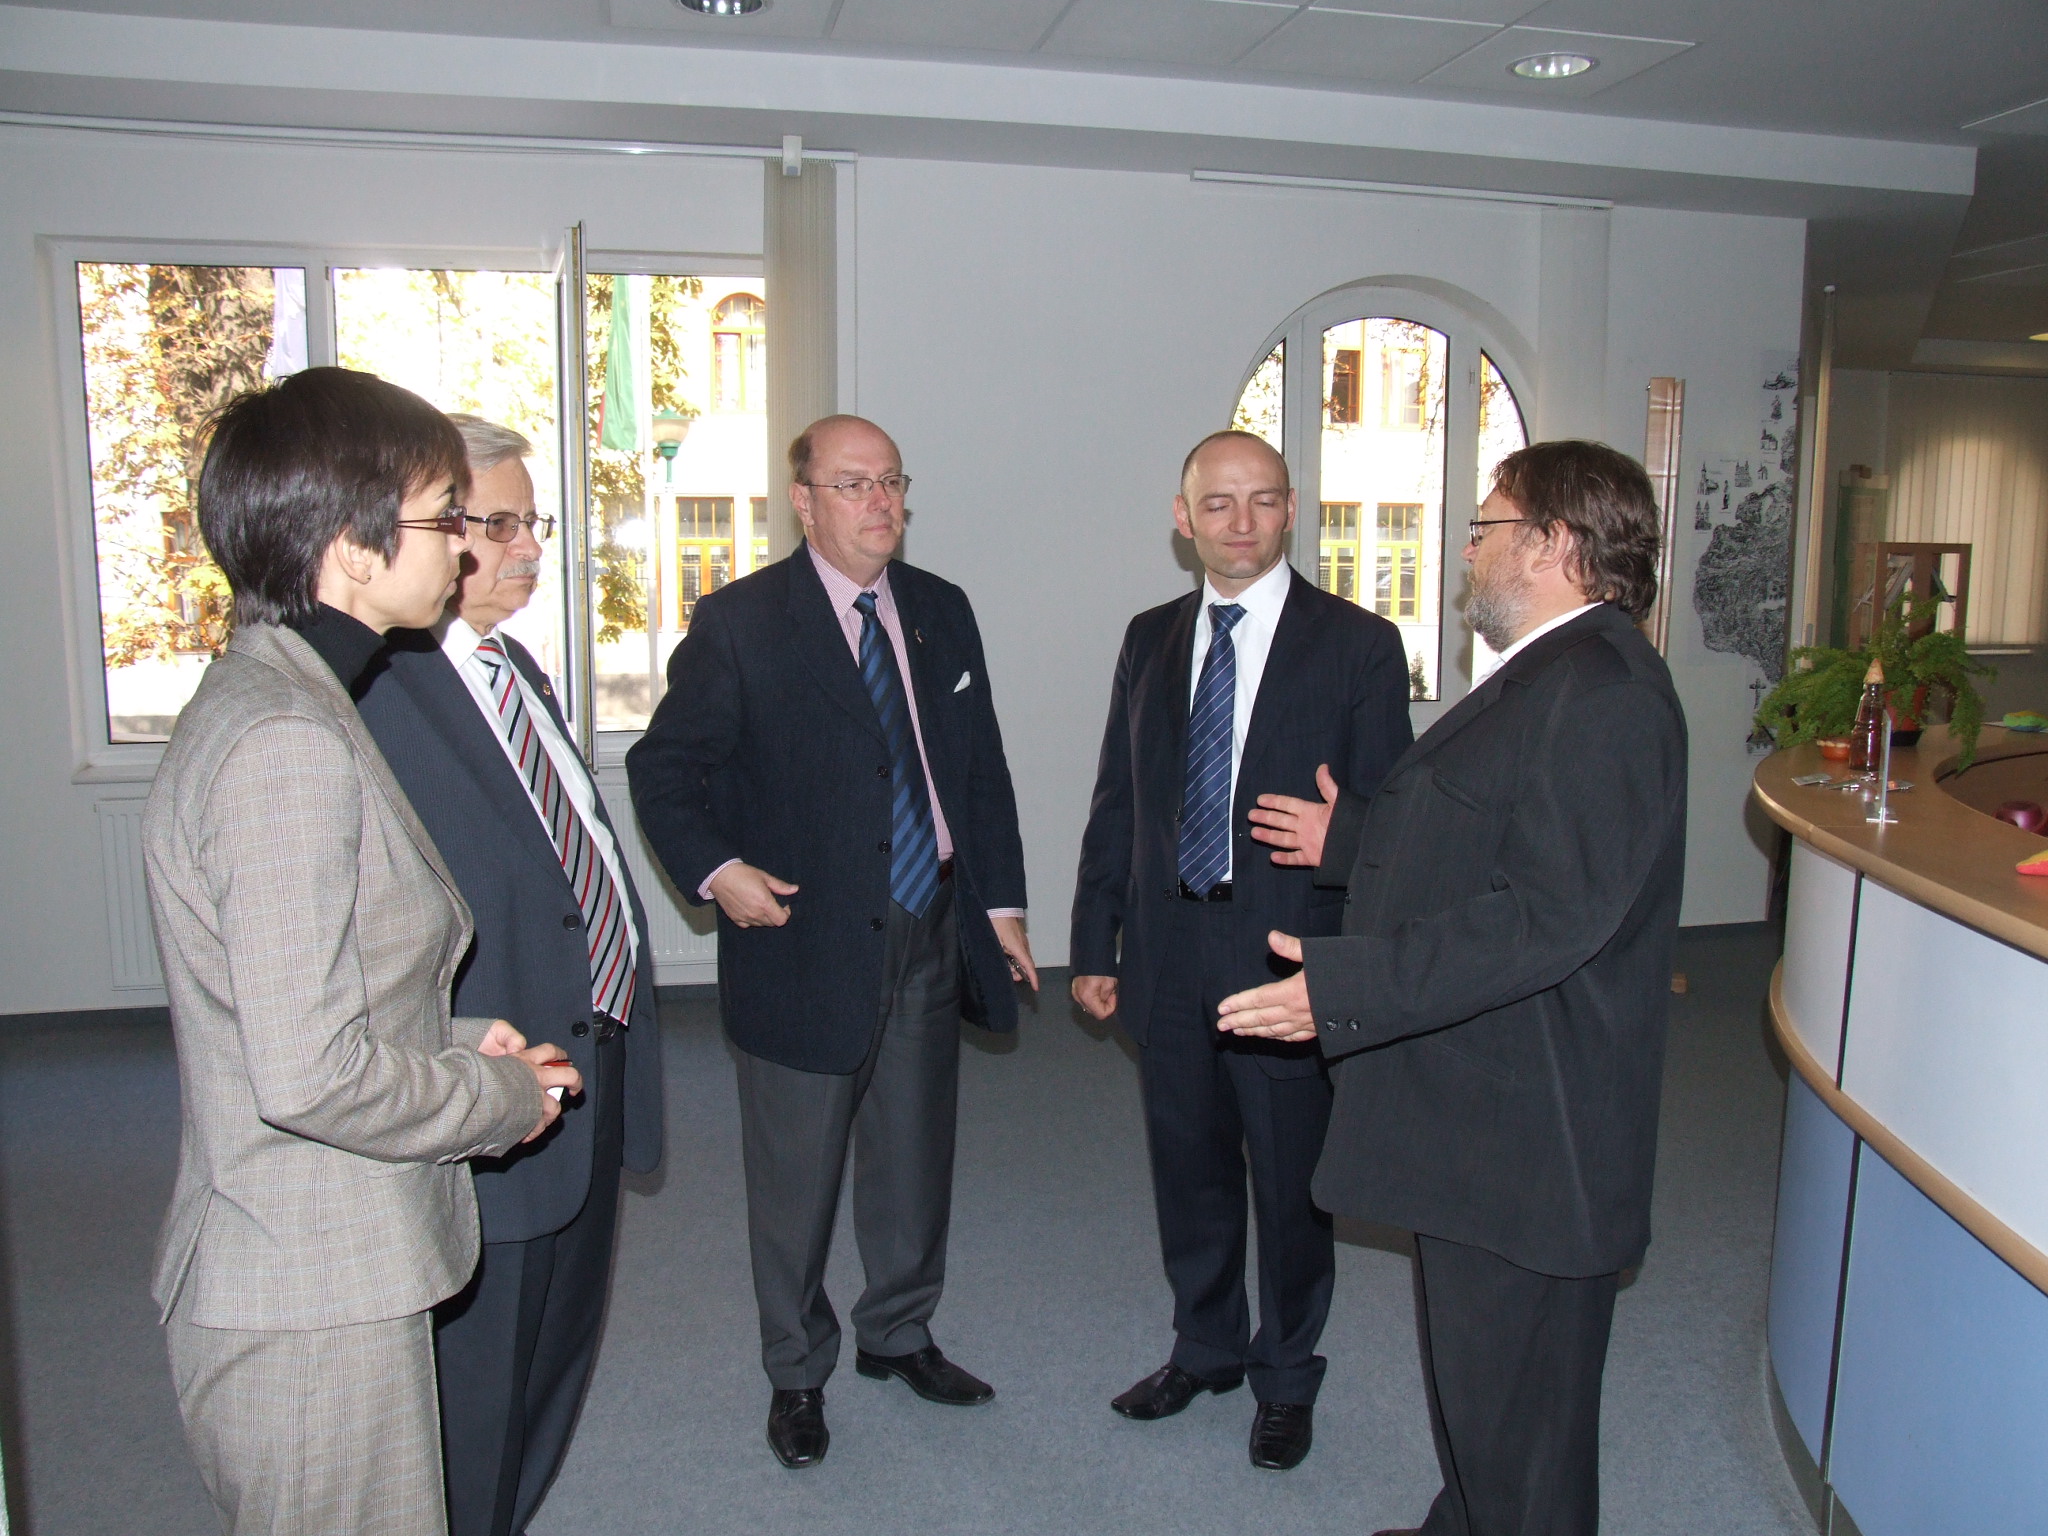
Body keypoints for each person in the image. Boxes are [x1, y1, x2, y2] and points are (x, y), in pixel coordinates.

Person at [1219, 439, 1687, 1536]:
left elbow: (1545, 916)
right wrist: (1351, 840)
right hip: (1488, 1113)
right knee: (1479, 1390)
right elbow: (1490, 837)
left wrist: (1343, 985)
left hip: (1536, 1132)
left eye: (1485, 527)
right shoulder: (1554, 670)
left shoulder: (1606, 692)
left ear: (1553, 543)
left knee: (1523, 1423)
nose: (1468, 549)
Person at [143, 368, 581, 1536]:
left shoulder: (290, 696)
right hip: (305, 1287)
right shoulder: (284, 739)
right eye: (444, 519)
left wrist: (446, 1035)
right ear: (352, 546)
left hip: (319, 1261)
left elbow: (286, 1000)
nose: (465, 549)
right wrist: (498, 1096)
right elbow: (305, 1074)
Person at [626, 414, 1035, 1470]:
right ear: (803, 502)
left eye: (891, 481)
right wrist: (717, 870)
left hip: (930, 922)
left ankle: (897, 1333)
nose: (879, 502)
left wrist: (1000, 904)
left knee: (913, 1155)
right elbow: (662, 771)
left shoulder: (940, 609)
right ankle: (796, 1371)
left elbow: (976, 770)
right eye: (852, 484)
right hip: (802, 936)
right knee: (796, 1178)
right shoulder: (740, 622)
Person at [1069, 429, 1411, 1470]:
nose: (1241, 522)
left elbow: (1392, 823)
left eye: (1262, 500)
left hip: (1284, 960)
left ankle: (1286, 1373)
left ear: (1292, 508)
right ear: (1183, 520)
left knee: (1291, 1184)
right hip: (1167, 952)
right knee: (1189, 1168)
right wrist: (1094, 942)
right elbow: (1118, 800)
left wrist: (1347, 910)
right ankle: (1206, 1346)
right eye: (1216, 504)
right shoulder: (1148, 638)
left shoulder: (1357, 644)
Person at [355, 416, 663, 1536]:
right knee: (477, 1404)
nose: (528, 546)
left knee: (548, 1380)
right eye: (497, 524)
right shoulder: (379, 693)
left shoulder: (512, 666)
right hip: (492, 1098)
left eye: (534, 522)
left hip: (586, 1071)